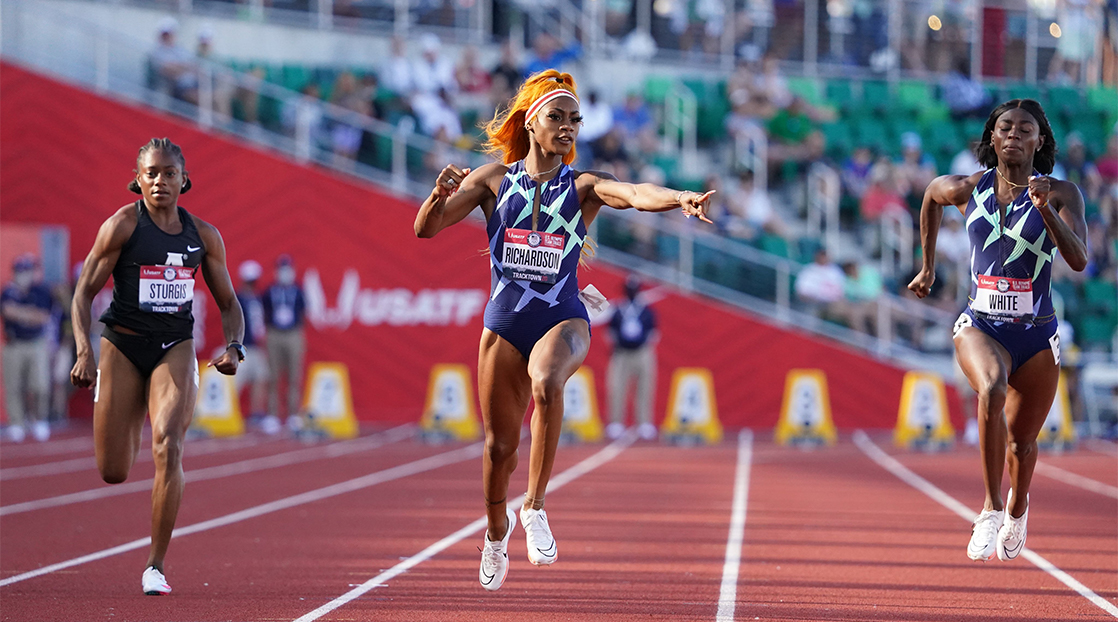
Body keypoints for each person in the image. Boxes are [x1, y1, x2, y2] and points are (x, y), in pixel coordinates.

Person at [413, 69, 714, 591]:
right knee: (497, 450)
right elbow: (426, 230)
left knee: (549, 381)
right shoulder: (490, 182)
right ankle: (494, 531)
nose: (569, 127)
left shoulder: (582, 187)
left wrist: (678, 197)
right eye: (558, 118)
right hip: (504, 323)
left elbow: (636, 192)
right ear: (532, 123)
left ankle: (534, 507)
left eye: (576, 120)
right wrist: (436, 198)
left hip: (562, 314)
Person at [907, 99, 1088, 563]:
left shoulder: (1063, 193)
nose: (1012, 135)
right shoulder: (970, 188)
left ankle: (1017, 506)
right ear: (992, 138)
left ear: (1039, 141)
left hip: (1037, 335)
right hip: (980, 324)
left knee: (1022, 445)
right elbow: (930, 195)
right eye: (1004, 127)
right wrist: (927, 268)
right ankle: (988, 509)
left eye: (1023, 129)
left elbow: (1080, 259)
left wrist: (1045, 209)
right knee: (990, 388)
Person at [70, 138, 245, 594]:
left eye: (169, 173)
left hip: (175, 346)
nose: (160, 181)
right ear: (138, 179)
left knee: (169, 444)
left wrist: (234, 346)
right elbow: (82, 294)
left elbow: (229, 302)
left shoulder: (203, 236)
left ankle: (155, 566)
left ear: (184, 180)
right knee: (113, 469)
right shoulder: (122, 226)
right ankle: (115, 409)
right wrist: (84, 352)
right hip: (122, 347)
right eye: (151, 173)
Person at [2, 254, 55, 443]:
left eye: (26, 271)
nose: (22, 276)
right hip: (14, 344)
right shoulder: (8, 291)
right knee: (14, 386)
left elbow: (42, 316)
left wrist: (20, 313)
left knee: (40, 385)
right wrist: (28, 314)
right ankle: (17, 422)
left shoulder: (40, 291)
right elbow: (7, 311)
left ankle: (39, 419)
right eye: (19, 272)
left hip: (36, 343)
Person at [605, 276, 659, 441]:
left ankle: (644, 423)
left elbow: (654, 332)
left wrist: (642, 343)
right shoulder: (618, 309)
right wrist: (619, 344)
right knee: (617, 387)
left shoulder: (646, 310)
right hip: (621, 353)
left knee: (645, 386)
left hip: (642, 352)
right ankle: (615, 422)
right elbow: (610, 332)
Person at [263, 254, 306, 428]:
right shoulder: (269, 291)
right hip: (274, 333)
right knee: (272, 375)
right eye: (282, 269)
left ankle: (293, 414)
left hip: (293, 333)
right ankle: (272, 414)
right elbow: (264, 311)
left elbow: (303, 312)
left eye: (287, 269)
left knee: (294, 375)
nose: (285, 273)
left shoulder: (298, 291)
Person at [235, 260, 271, 429]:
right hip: (241, 344)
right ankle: (227, 410)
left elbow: (260, 323)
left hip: (256, 346)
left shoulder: (257, 298)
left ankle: (257, 413)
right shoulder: (236, 298)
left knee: (261, 378)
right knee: (236, 381)